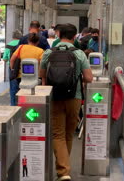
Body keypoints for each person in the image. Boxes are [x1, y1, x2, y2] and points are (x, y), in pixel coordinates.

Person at [40, 24, 93, 181]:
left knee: (58, 134)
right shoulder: (79, 54)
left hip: (55, 96)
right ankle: (64, 169)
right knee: (69, 133)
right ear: (74, 36)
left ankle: (63, 171)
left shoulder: (48, 53)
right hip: (74, 97)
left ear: (58, 35)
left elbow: (41, 75)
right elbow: (89, 78)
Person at [10, 33, 45, 101]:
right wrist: (43, 80)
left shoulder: (21, 47)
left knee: (22, 94)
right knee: (33, 96)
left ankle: (22, 106)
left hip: (21, 76)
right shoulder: (41, 51)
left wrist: (12, 69)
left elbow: (12, 60)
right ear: (38, 42)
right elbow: (42, 66)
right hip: (35, 77)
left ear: (28, 40)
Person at [3, 30, 23, 106]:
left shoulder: (9, 45)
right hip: (21, 67)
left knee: (13, 87)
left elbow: (4, 59)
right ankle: (22, 103)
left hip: (12, 68)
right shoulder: (22, 44)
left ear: (13, 36)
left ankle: (13, 104)